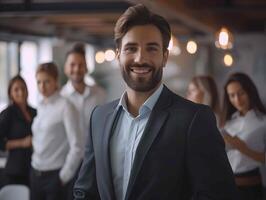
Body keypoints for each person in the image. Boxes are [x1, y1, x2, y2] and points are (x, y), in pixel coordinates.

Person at [73, 4, 238, 200]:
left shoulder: (194, 119)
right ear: (118, 56)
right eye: (131, 48)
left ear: (164, 57)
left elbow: (218, 195)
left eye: (151, 49)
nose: (140, 58)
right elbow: (85, 190)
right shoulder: (99, 117)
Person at [30, 62, 83, 200]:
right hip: (35, 174)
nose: (42, 86)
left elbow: (77, 147)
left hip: (55, 177)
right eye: (39, 82)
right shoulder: (40, 105)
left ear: (55, 81)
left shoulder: (66, 106)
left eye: (46, 81)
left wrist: (62, 178)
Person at [61, 43, 105, 200]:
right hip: (67, 165)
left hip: (94, 164)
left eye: (81, 65)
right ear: (66, 68)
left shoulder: (100, 94)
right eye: (72, 64)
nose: (76, 69)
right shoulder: (60, 98)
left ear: (86, 67)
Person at [221, 72, 266, 200]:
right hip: (226, 185)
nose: (237, 100)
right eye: (232, 95)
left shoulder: (263, 122)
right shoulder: (228, 122)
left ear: (250, 91)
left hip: (250, 186)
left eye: (241, 93)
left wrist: (242, 148)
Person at [0, 75, 36, 186]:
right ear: (10, 93)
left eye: (23, 88)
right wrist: (22, 143)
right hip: (15, 172)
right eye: (16, 90)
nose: (21, 92)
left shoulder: (35, 112)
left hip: (34, 169)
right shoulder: (7, 114)